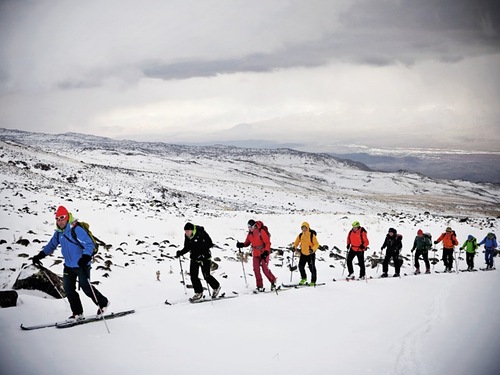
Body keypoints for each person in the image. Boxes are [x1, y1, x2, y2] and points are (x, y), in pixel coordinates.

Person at [31, 205, 109, 320]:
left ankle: (103, 303)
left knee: (86, 287)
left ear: (67, 217)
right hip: (68, 266)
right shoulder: (59, 232)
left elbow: (89, 244)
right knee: (68, 289)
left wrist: (86, 257)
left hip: (82, 265)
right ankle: (77, 313)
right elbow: (51, 245)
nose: (59, 221)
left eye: (62, 218)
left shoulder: (76, 229)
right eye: (57, 218)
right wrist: (40, 255)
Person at [175, 222, 221, 301]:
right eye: (185, 231)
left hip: (205, 257)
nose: (187, 233)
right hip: (194, 257)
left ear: (192, 230)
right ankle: (199, 292)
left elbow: (209, 243)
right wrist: (180, 252)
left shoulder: (201, 233)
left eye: (188, 231)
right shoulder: (187, 236)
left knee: (206, 276)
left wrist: (203, 253)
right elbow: (187, 247)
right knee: (193, 276)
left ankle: (216, 287)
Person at [237, 219, 277, 292]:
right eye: (248, 227)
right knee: (256, 270)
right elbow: (247, 243)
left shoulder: (260, 231)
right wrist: (241, 244)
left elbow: (268, 243)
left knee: (265, 270)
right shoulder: (250, 234)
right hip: (255, 254)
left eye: (250, 227)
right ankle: (259, 286)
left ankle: (273, 281)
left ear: (254, 226)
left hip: (263, 253)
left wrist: (266, 252)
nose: (249, 228)